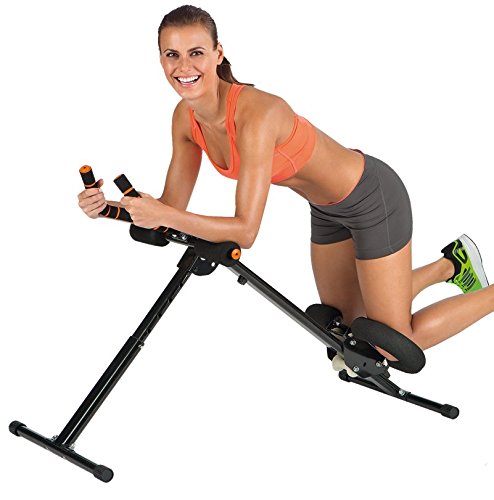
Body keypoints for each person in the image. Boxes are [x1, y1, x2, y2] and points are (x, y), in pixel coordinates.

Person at [77, 4, 491, 361]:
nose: (184, 67)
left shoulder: (257, 114)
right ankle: (452, 264)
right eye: (172, 55)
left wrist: (162, 214)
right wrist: (110, 210)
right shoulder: (185, 119)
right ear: (160, 59)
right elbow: (169, 210)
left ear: (218, 54)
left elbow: (245, 231)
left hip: (372, 199)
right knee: (349, 331)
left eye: (196, 53)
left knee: (391, 344)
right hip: (326, 212)